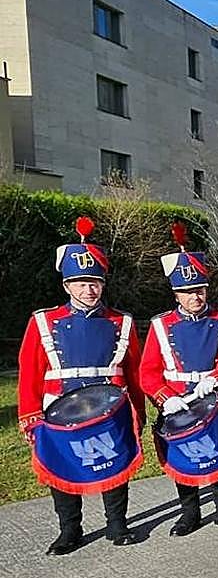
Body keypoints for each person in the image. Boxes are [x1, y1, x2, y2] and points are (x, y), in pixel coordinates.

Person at [18, 217, 146, 554]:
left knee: (114, 464)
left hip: (111, 410)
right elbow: (29, 371)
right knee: (65, 466)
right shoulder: (43, 321)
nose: (89, 289)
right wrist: (30, 415)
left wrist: (139, 413)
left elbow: (132, 371)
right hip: (60, 410)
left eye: (95, 282)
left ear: (103, 284)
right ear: (67, 286)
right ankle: (69, 530)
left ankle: (118, 524)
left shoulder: (123, 321)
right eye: (80, 283)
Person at [141, 225, 218, 536]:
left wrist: (215, 377)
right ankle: (189, 514)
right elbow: (147, 371)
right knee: (182, 456)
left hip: (213, 397)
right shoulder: (161, 325)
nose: (195, 296)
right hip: (176, 400)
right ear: (176, 294)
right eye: (188, 292)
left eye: (199, 289)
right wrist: (164, 397)